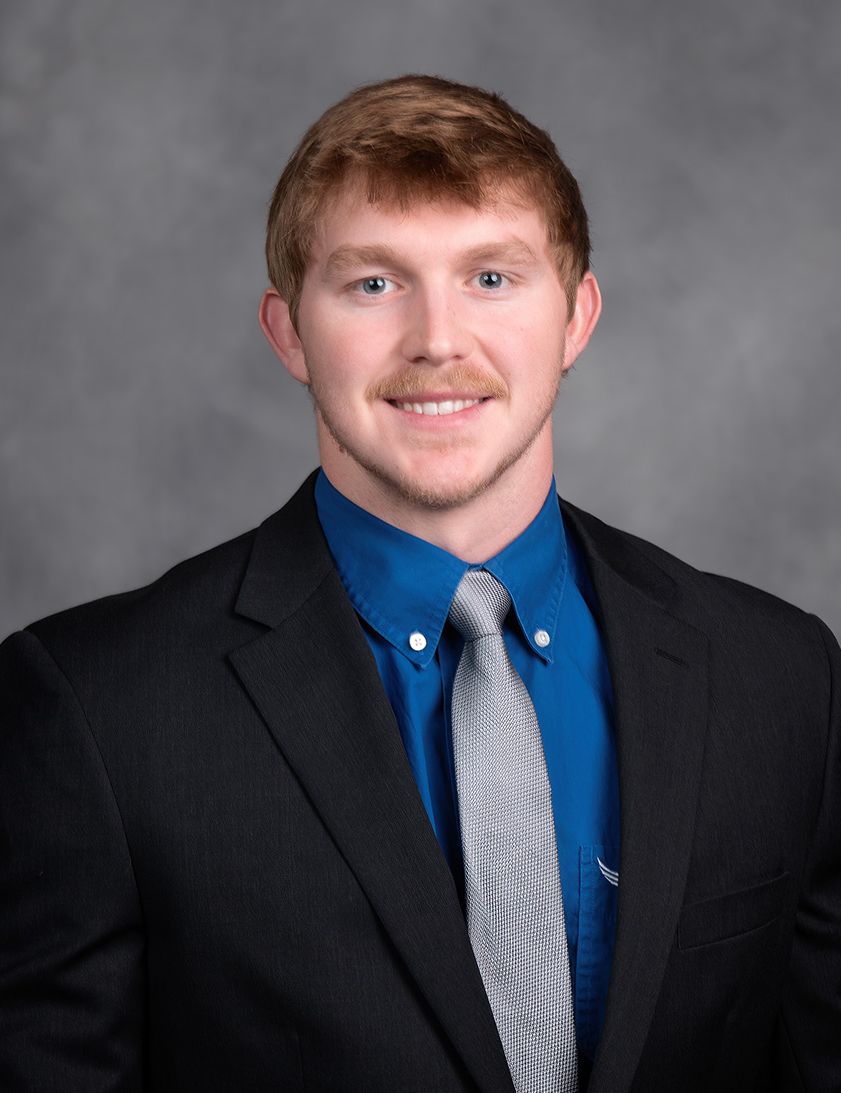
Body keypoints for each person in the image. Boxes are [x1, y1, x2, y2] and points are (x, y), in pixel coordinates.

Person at [1, 74, 839, 1093]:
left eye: (491, 276)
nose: (437, 339)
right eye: (372, 283)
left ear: (576, 317)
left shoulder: (784, 680)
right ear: (288, 332)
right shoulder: (95, 710)